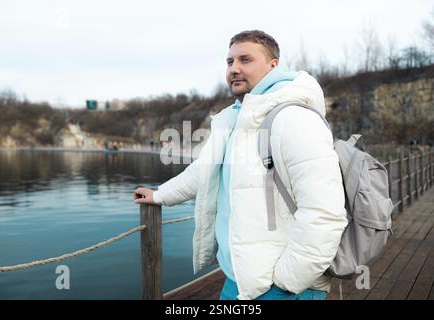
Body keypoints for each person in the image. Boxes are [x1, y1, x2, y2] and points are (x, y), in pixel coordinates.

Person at [134, 30, 348, 300]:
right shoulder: (234, 119)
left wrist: (286, 280)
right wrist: (159, 195)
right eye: (229, 61)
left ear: (273, 65)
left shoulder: (294, 117)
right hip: (240, 280)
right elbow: (203, 170)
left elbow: (324, 214)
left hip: (283, 287)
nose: (234, 69)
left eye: (245, 60)